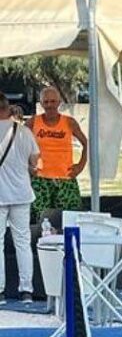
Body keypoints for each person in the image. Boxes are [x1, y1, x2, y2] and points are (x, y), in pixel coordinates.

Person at [0, 93, 41, 304]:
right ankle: (26, 290)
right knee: (23, 242)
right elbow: (34, 161)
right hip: (22, 193)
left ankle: (0, 291)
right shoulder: (24, 131)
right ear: (8, 108)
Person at [27, 86, 87, 222]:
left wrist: (80, 166)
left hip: (65, 178)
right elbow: (19, 146)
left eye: (53, 101)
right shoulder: (32, 122)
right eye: (46, 102)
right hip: (40, 179)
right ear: (41, 103)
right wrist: (28, 166)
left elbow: (86, 144)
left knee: (70, 218)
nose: (49, 105)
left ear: (59, 102)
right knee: (40, 219)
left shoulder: (69, 122)